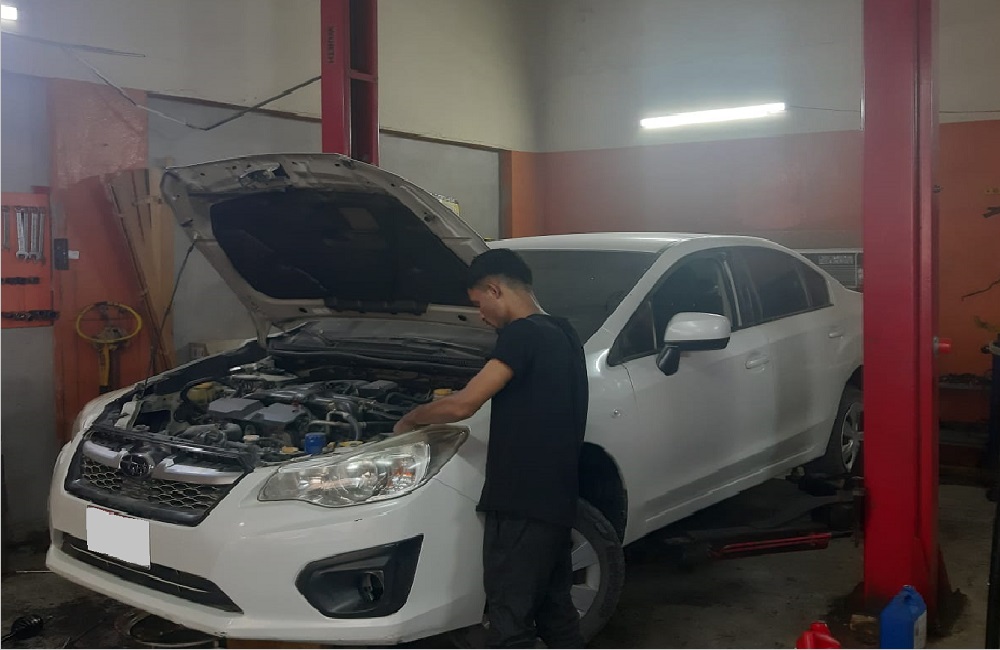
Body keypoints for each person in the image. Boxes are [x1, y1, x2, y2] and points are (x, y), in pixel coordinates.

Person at [393, 248, 589, 648]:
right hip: (556, 499)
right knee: (556, 611)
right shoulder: (565, 332)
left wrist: (412, 418)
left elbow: (464, 404)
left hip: (521, 501)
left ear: (494, 290)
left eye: (478, 303)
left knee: (509, 619)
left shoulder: (523, 334)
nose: (480, 315)